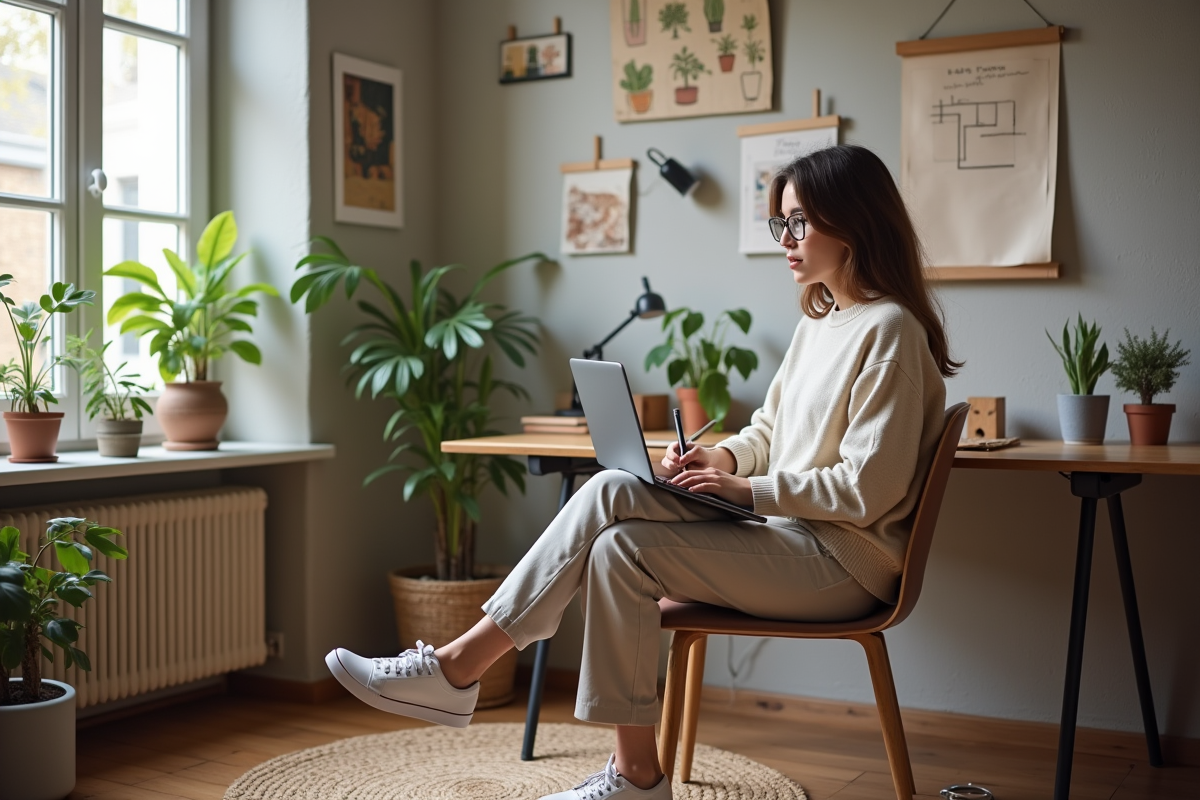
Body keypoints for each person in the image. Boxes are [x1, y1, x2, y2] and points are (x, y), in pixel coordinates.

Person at [325, 144, 961, 800]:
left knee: (611, 505)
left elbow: (869, 488)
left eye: (799, 223)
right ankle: (635, 775)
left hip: (841, 563)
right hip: (793, 536)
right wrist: (717, 460)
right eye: (781, 224)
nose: (786, 240)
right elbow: (768, 433)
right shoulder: (821, 322)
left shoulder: (889, 331)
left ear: (853, 221)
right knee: (618, 536)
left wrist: (747, 489)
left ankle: (459, 668)